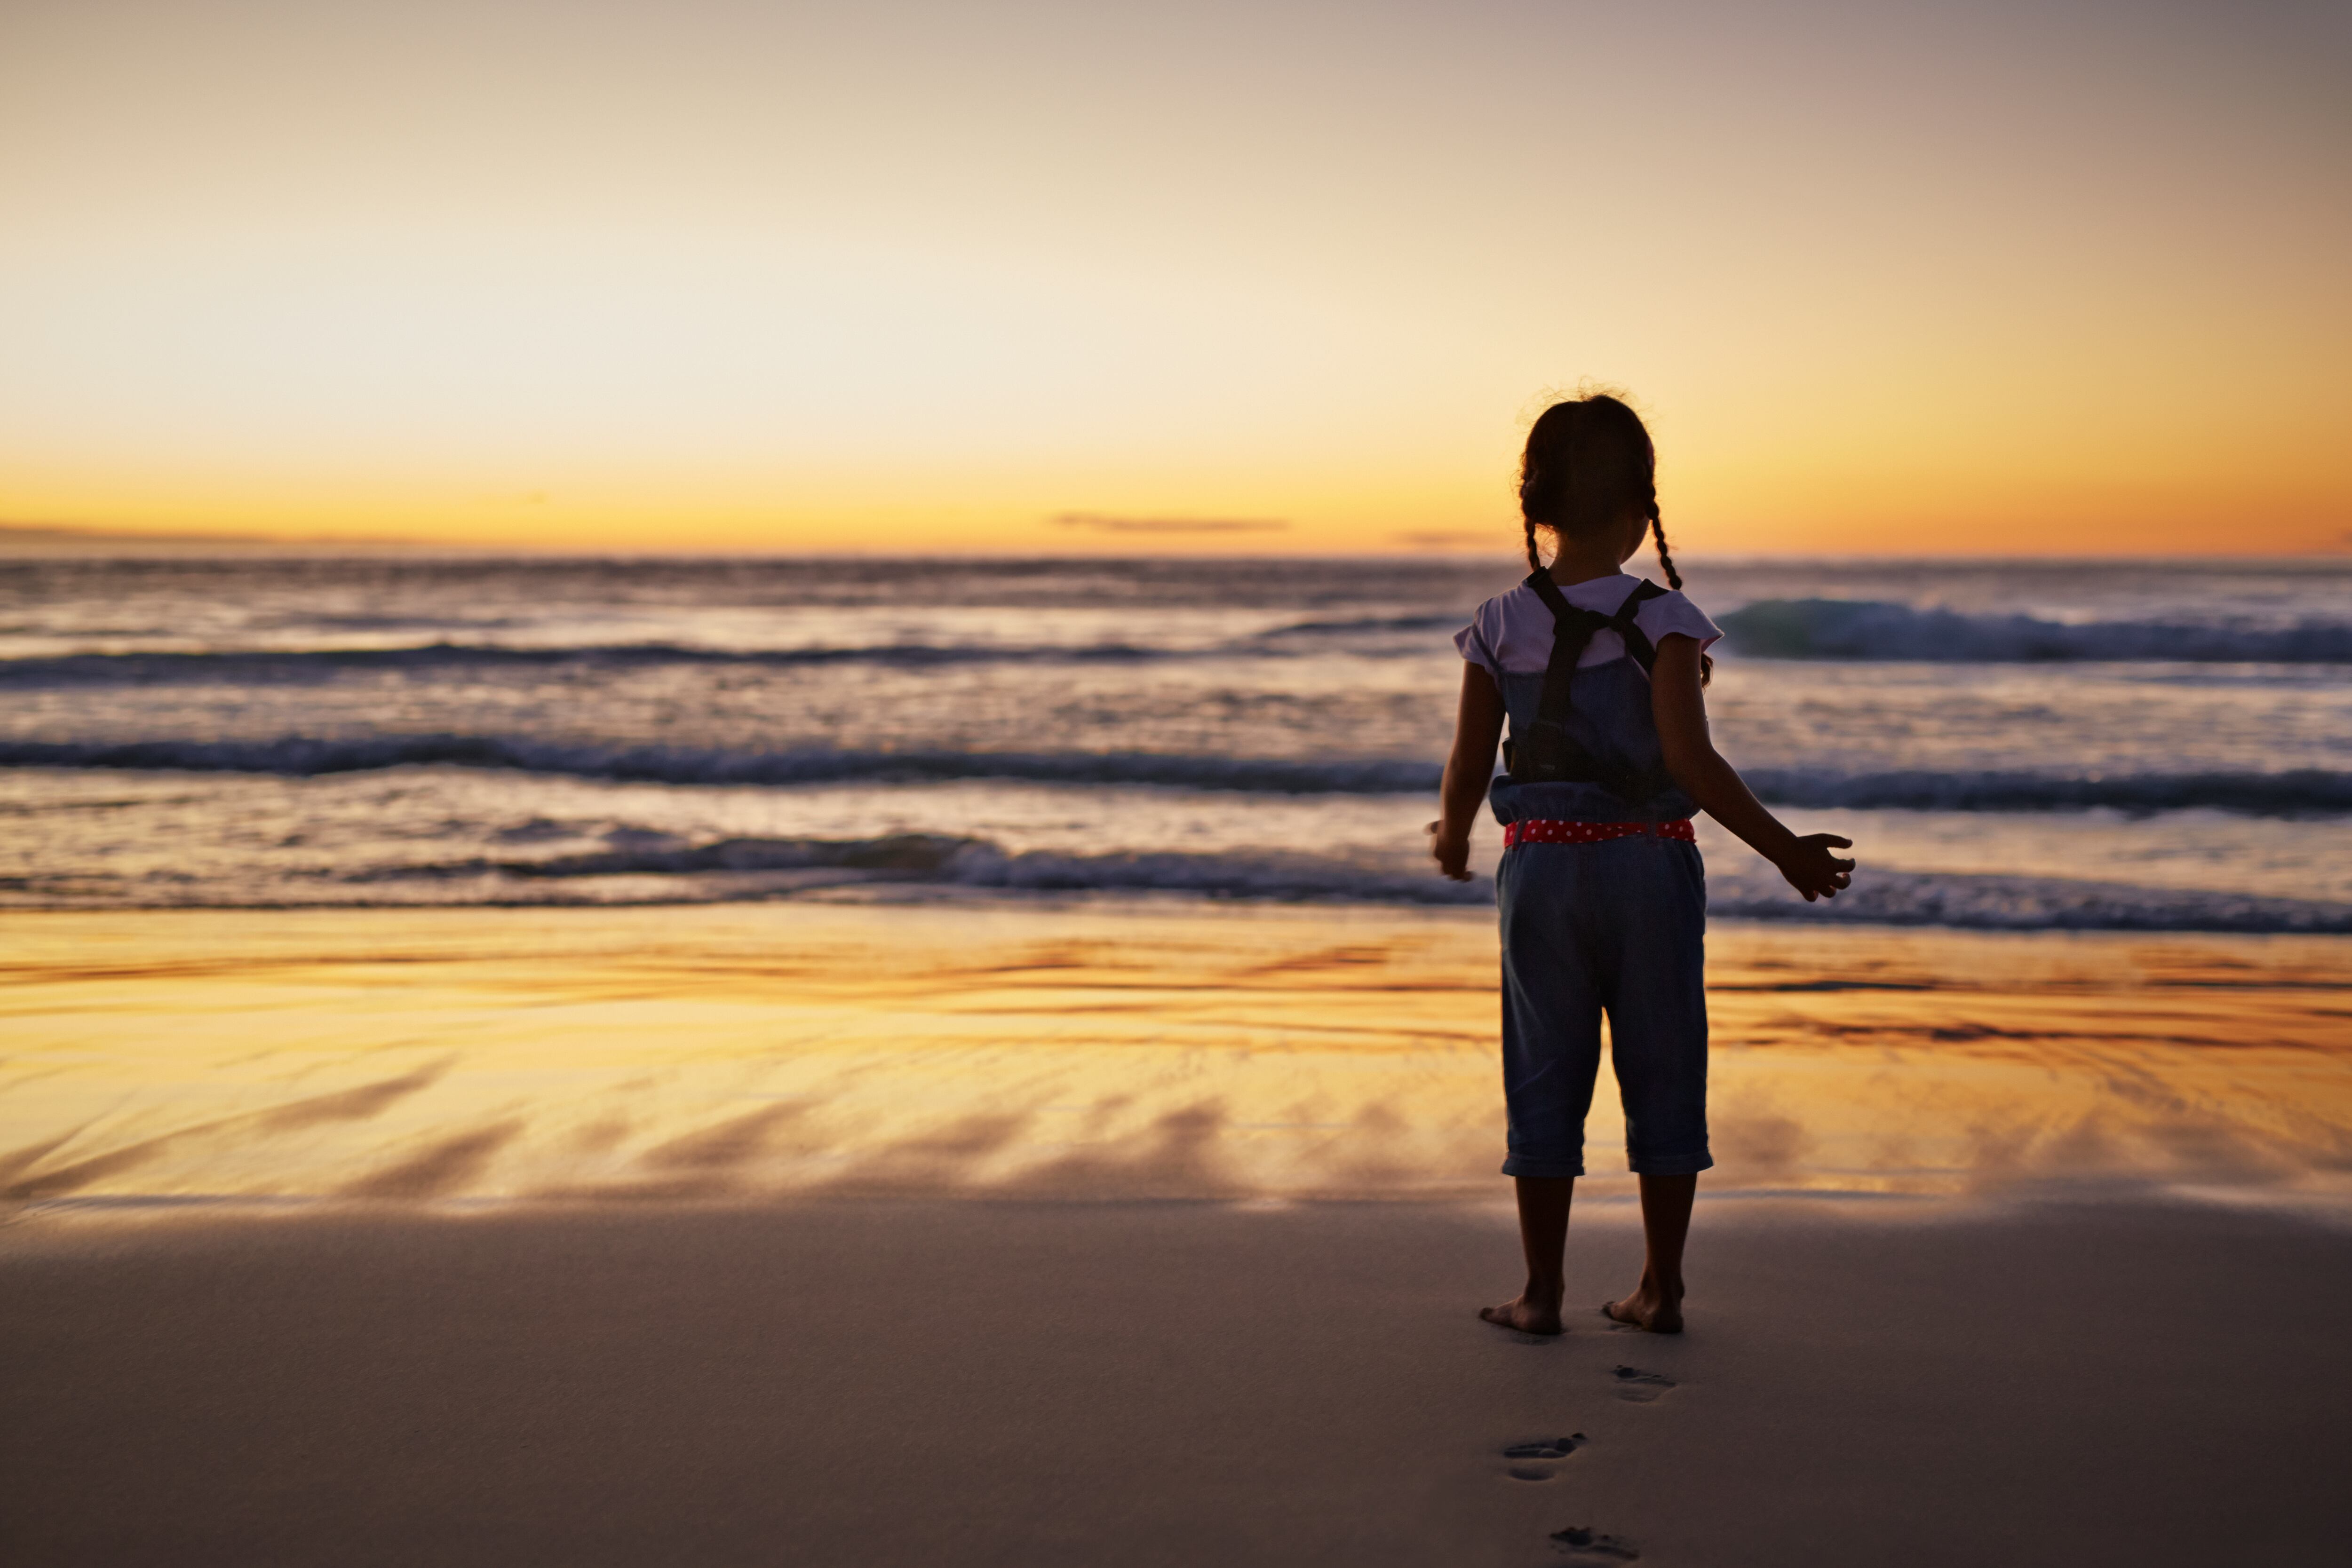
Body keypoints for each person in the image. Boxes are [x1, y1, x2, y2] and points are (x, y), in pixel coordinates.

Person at [1428, 392, 1854, 1336]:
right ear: (1639, 509)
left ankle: (1540, 1293)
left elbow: (1467, 759)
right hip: (1648, 871)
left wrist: (1455, 831)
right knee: (1664, 1065)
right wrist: (1784, 849)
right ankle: (1659, 1284)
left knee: (1543, 1071)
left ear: (1535, 506)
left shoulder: (1499, 621)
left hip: (1538, 873)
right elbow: (1691, 763)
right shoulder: (1663, 618)